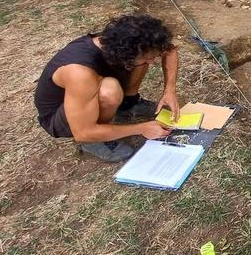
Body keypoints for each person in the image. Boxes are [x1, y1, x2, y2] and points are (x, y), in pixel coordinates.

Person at [34, 14, 179, 162]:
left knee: (140, 63)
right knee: (109, 90)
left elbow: (170, 50)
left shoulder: (121, 42)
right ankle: (92, 143)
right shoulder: (80, 72)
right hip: (63, 117)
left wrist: (170, 90)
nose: (153, 61)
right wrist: (141, 128)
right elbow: (83, 132)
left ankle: (128, 105)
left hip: (87, 93)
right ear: (127, 53)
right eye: (149, 57)